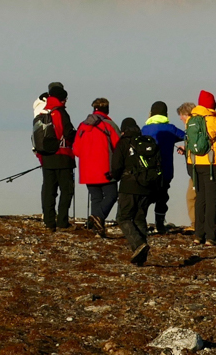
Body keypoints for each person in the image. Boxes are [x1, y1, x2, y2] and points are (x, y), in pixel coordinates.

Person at [182, 90, 216, 245]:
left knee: (200, 199)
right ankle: (210, 237)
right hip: (212, 164)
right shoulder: (211, 119)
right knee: (212, 201)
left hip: (194, 164)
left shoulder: (191, 119)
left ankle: (199, 235)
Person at [111, 114, 162, 266]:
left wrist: (114, 176)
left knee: (123, 217)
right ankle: (141, 256)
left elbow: (116, 166)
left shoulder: (123, 143)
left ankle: (139, 244)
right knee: (140, 218)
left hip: (129, 186)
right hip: (147, 187)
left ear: (123, 130)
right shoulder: (148, 143)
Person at [73, 97, 121, 234]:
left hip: (87, 169)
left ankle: (96, 228)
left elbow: (76, 149)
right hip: (106, 167)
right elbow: (119, 146)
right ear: (107, 109)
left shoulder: (83, 126)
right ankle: (97, 218)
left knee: (96, 198)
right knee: (111, 195)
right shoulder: (109, 125)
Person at [33, 82, 77, 231]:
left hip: (46, 156)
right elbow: (69, 133)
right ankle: (62, 222)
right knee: (66, 190)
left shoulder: (42, 111)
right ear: (62, 99)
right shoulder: (60, 112)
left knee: (48, 190)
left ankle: (49, 222)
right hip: (63, 156)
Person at [141, 101, 186, 234]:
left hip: (147, 171)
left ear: (151, 113)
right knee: (162, 198)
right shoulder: (171, 129)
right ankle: (160, 225)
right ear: (165, 114)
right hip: (166, 170)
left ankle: (141, 223)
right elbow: (185, 136)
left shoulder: (144, 129)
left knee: (145, 197)